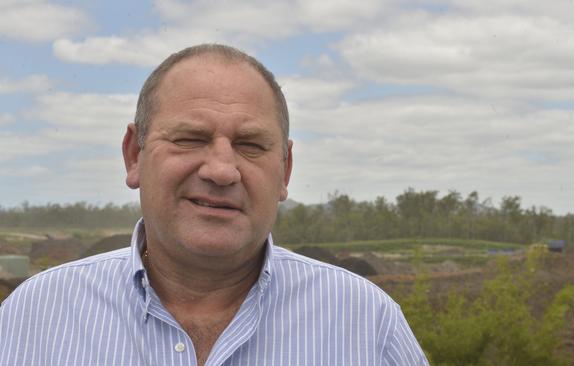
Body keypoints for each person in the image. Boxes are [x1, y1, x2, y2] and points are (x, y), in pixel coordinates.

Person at [0, 44, 428, 365]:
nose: (223, 170)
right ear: (134, 155)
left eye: (250, 145)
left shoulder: (367, 324)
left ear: (285, 170)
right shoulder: (34, 315)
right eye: (190, 138)